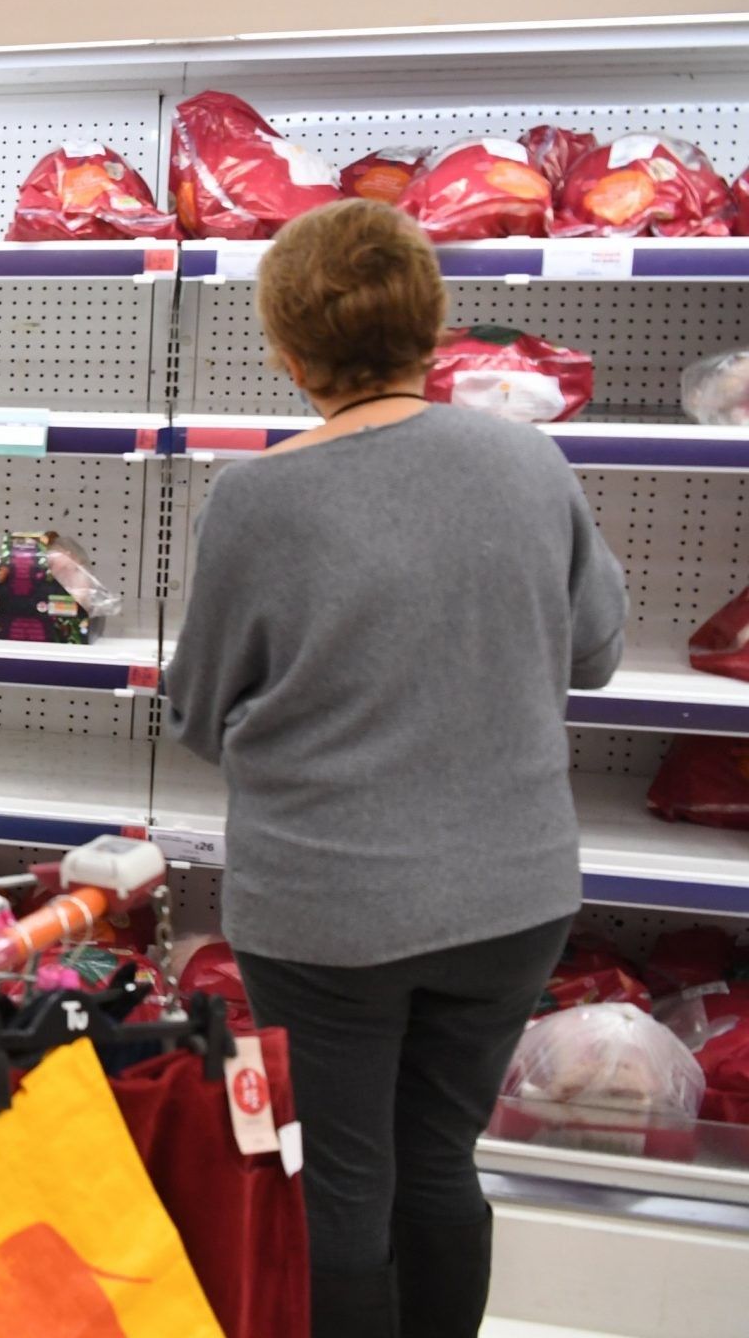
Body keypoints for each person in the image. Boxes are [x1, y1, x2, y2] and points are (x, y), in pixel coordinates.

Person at [163, 200, 627, 1338]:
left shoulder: (257, 498)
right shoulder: (529, 462)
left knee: (340, 1180)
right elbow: (598, 654)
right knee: (439, 1162)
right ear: (435, 327)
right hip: (510, 896)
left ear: (285, 350)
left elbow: (197, 710)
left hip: (327, 908)